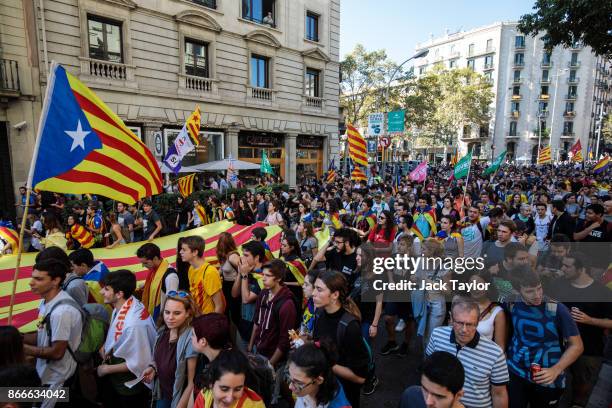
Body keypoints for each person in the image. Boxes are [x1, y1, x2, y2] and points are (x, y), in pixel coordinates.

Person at [505, 269, 584, 408]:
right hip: (516, 371)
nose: (537, 295)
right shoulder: (510, 302)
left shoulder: (557, 309)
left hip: (548, 377)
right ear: (517, 291)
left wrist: (556, 370)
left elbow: (577, 346)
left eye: (539, 288)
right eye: (530, 291)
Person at [548, 252, 612, 407]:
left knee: (581, 386)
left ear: (581, 269)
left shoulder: (602, 293)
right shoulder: (559, 284)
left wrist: (589, 320)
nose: (562, 269)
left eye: (567, 266)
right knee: (555, 385)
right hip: (557, 346)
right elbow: (548, 304)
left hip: (589, 350)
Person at [426, 297, 509, 408]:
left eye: (470, 324)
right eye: (460, 323)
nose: (464, 330)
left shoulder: (495, 353)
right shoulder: (437, 336)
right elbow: (428, 371)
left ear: (478, 321)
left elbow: (499, 394)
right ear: (451, 318)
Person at [22, 258, 83, 408]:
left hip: (57, 380)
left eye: (38, 279)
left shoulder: (61, 312)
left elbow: (57, 352)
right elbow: (44, 335)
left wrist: (22, 348)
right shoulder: (45, 302)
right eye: (32, 277)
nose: (31, 282)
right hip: (46, 374)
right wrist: (16, 337)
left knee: (9, 395)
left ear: (55, 281)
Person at [98, 269, 157, 408]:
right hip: (121, 381)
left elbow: (139, 362)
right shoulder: (126, 305)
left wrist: (106, 369)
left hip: (129, 387)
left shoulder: (133, 324)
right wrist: (106, 347)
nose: (101, 292)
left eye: (106, 289)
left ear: (119, 294)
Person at [311, 270, 370, 408]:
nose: (313, 293)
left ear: (335, 295)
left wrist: (326, 364)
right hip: (324, 391)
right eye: (314, 288)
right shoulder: (320, 312)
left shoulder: (349, 327)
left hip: (344, 397)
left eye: (319, 289)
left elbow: (360, 378)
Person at [143, 291, 200, 408]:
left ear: (188, 313)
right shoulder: (163, 331)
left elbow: (191, 383)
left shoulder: (191, 339)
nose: (170, 318)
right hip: (163, 393)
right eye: (167, 312)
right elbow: (161, 358)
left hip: (178, 399)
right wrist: (153, 368)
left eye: (177, 313)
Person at [248, 259, 297, 368]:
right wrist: (251, 346)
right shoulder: (263, 294)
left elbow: (285, 340)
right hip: (257, 350)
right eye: (263, 274)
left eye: (268, 276)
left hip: (272, 357)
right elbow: (257, 321)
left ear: (279, 278)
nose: (263, 278)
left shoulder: (287, 304)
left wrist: (270, 365)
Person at [351, 241, 382, 395]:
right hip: (354, 319)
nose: (356, 258)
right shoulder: (357, 271)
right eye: (356, 254)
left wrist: (375, 325)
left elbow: (379, 302)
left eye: (360, 255)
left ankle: (371, 378)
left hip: (367, 321)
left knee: (366, 352)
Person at [192, 348, 265, 408]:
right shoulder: (204, 396)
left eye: (238, 389)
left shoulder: (254, 406)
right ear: (211, 384)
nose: (229, 399)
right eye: (224, 389)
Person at [288, 342, 352, 408]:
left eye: (299, 383)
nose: (290, 387)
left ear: (319, 380)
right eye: (290, 377)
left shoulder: (338, 405)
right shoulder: (305, 388)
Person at [138, 242, 188, 321]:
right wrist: (146, 284)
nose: (143, 266)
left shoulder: (170, 277)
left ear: (155, 258)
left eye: (145, 263)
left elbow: (171, 302)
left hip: (163, 319)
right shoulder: (155, 271)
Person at [399, 351, 465, 408]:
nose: (428, 402)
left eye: (439, 396)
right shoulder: (410, 397)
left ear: (458, 395)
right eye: (425, 389)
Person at [180, 236, 225, 314]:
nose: (180, 252)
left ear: (195, 252)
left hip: (207, 319)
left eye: (184, 249)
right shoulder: (191, 268)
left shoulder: (209, 272)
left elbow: (220, 305)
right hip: (197, 316)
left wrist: (211, 324)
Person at [467, 271, 507, 350]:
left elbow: (500, 347)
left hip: (482, 359)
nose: (475, 288)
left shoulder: (497, 312)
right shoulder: (462, 305)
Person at [217, 232, 242, 335]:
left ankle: (241, 335)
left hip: (234, 286)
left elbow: (243, 271)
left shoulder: (233, 256)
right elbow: (221, 271)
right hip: (226, 286)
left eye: (222, 243)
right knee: (226, 311)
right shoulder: (224, 256)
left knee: (235, 313)